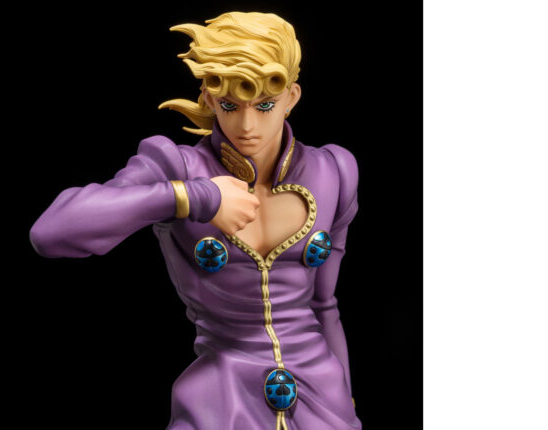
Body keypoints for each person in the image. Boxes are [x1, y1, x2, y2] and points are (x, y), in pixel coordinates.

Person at [29, 11, 361, 430]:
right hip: (222, 400)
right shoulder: (177, 166)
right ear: (207, 96)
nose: (247, 126)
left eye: (265, 105)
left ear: (291, 97)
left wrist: (345, 400)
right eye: (229, 106)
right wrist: (193, 197)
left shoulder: (334, 172)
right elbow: (51, 231)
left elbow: (324, 305)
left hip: (322, 400)